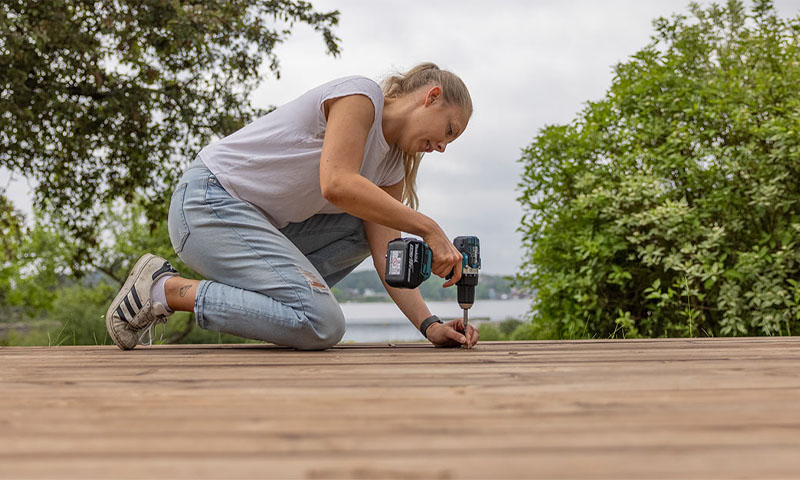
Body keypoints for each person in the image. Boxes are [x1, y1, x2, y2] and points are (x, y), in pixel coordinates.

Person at [105, 62, 479, 351]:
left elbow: (387, 255)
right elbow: (336, 184)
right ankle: (162, 290)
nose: (443, 147)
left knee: (366, 225)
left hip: (259, 227)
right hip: (209, 204)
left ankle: (276, 294)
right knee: (323, 324)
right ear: (430, 97)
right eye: (448, 130)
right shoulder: (361, 97)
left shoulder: (391, 165)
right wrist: (428, 228)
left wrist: (429, 325)